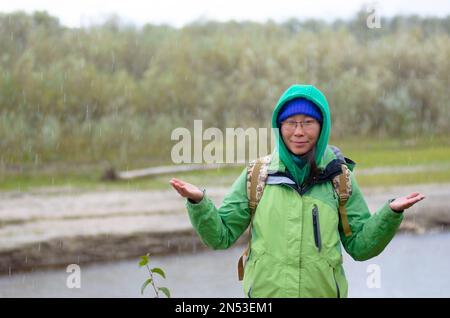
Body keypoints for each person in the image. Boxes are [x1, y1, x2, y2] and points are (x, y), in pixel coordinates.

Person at [169, 84, 425, 298]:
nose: (299, 132)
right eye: (291, 123)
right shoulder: (256, 175)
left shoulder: (340, 178)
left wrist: (389, 214)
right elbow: (220, 236)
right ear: (279, 127)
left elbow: (360, 246)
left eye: (308, 122)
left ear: (322, 126)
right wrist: (199, 202)